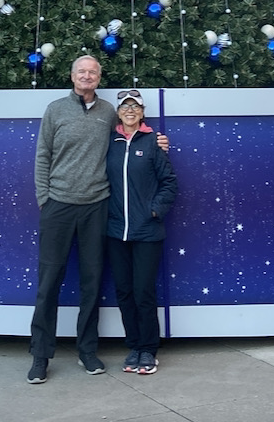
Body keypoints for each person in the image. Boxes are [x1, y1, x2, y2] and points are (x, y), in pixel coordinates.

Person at [27, 56, 169, 384]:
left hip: (96, 208)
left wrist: (159, 143)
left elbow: (134, 134)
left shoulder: (108, 111)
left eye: (92, 72)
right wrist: (44, 200)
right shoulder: (55, 110)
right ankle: (40, 355)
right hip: (58, 206)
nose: (87, 76)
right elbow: (42, 155)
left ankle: (87, 351)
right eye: (81, 71)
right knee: (49, 283)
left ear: (99, 78)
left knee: (92, 283)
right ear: (72, 76)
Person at [106, 88, 177, 375]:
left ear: (143, 112)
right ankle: (133, 346)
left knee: (143, 291)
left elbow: (169, 183)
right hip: (114, 231)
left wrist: (154, 210)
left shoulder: (152, 143)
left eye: (136, 106)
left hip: (147, 232)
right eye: (125, 106)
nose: (130, 110)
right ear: (119, 112)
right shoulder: (108, 141)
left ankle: (148, 349)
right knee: (124, 291)